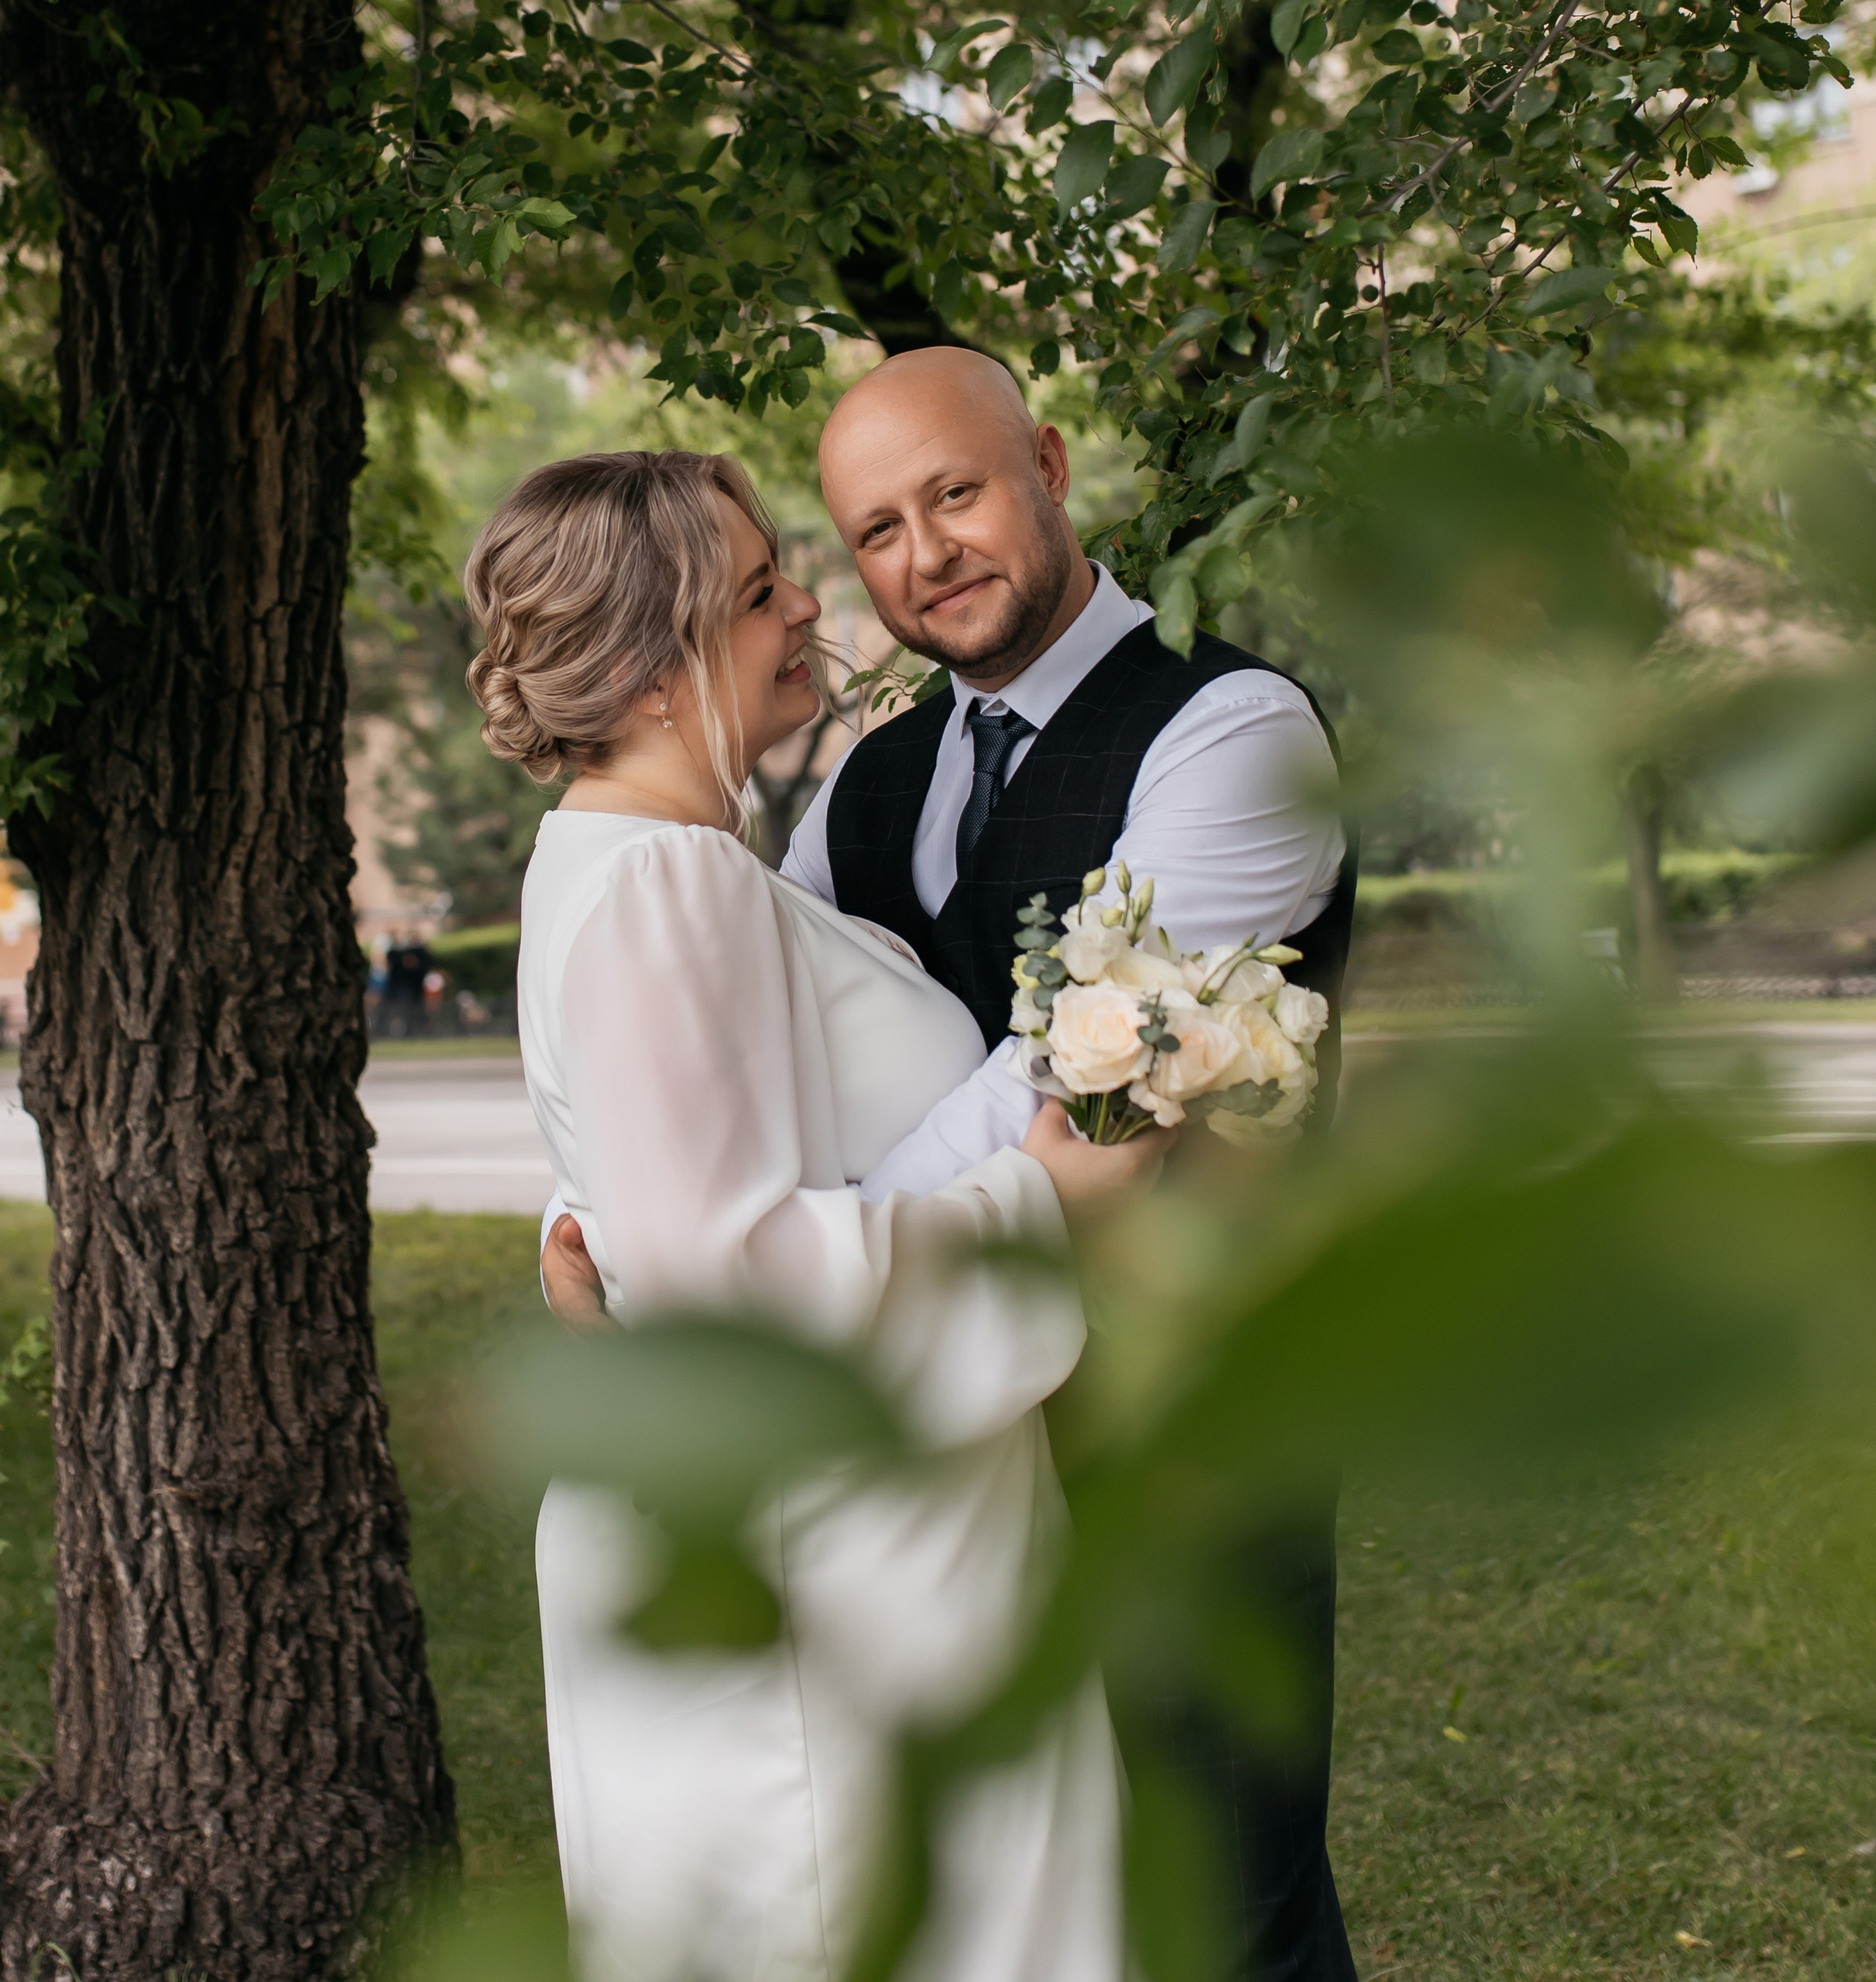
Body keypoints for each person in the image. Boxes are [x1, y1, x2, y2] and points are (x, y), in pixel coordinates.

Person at [542, 348, 1359, 1981]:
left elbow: (1067, 1074)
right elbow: (729, 1038)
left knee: (1221, 1912)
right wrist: (612, 1206)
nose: (924, 553)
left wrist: (724, 1262)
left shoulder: (1234, 731)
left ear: (1048, 463)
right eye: (873, 529)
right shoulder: (866, 780)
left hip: (1172, 1428)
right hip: (936, 1476)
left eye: (957, 493)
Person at [471, 447, 1171, 1982]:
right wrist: (1039, 1202)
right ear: (652, 670)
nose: (808, 608)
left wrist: (584, 1227)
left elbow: (666, 1176)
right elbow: (731, 1279)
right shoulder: (668, 884)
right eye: (756, 592)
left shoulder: (644, 860)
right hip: (822, 1590)